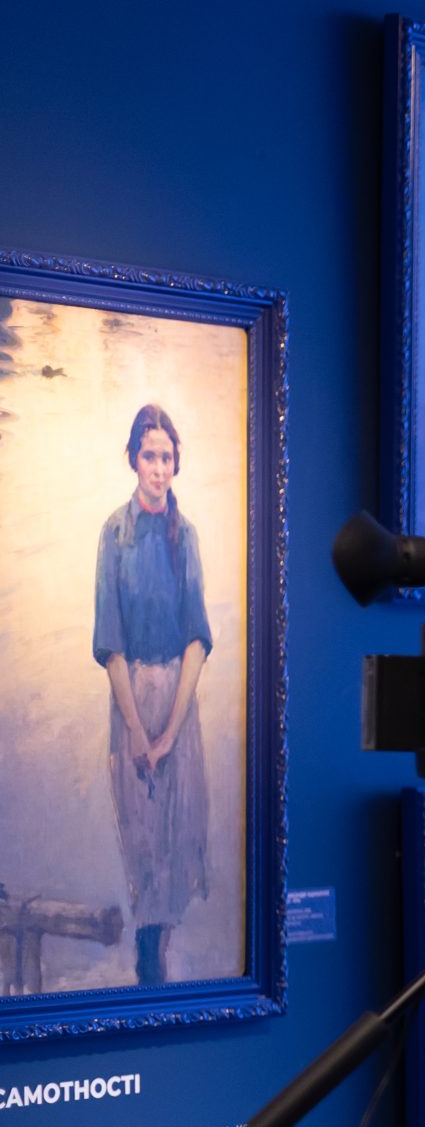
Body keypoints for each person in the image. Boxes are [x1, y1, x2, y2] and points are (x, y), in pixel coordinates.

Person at [92, 404, 214, 987]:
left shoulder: (184, 536)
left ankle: (159, 958)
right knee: (140, 836)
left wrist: (170, 731)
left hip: (178, 699)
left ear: (176, 463)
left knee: (177, 831)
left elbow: (197, 639)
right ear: (133, 459)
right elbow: (110, 643)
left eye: (167, 457)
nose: (159, 468)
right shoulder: (114, 534)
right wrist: (141, 732)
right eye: (149, 456)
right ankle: (147, 960)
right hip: (131, 698)